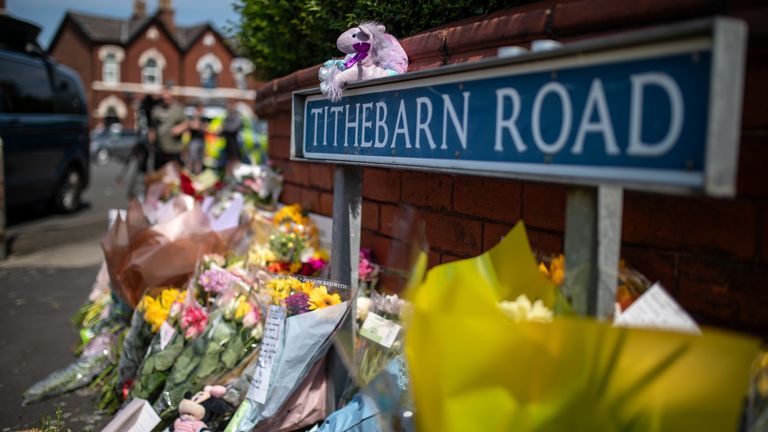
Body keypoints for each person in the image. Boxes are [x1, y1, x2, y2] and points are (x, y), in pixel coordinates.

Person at [150, 84, 187, 170]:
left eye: (167, 98)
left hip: (174, 150)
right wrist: (152, 134)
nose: (165, 100)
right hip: (160, 150)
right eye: (163, 98)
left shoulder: (178, 108)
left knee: (174, 174)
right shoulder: (157, 109)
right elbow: (153, 125)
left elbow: (187, 123)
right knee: (159, 173)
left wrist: (180, 128)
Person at [220, 100, 243, 172]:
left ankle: (236, 174)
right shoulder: (227, 116)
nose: (229, 107)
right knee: (229, 160)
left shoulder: (237, 116)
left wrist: (224, 127)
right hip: (228, 142)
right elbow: (222, 127)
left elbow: (234, 127)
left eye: (231, 105)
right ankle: (229, 174)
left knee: (235, 159)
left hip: (235, 142)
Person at [186, 103, 206, 174]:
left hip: (201, 141)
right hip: (194, 141)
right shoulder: (192, 118)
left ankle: (197, 173)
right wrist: (196, 118)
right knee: (191, 158)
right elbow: (195, 126)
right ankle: (189, 174)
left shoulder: (203, 119)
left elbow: (205, 128)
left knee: (199, 159)